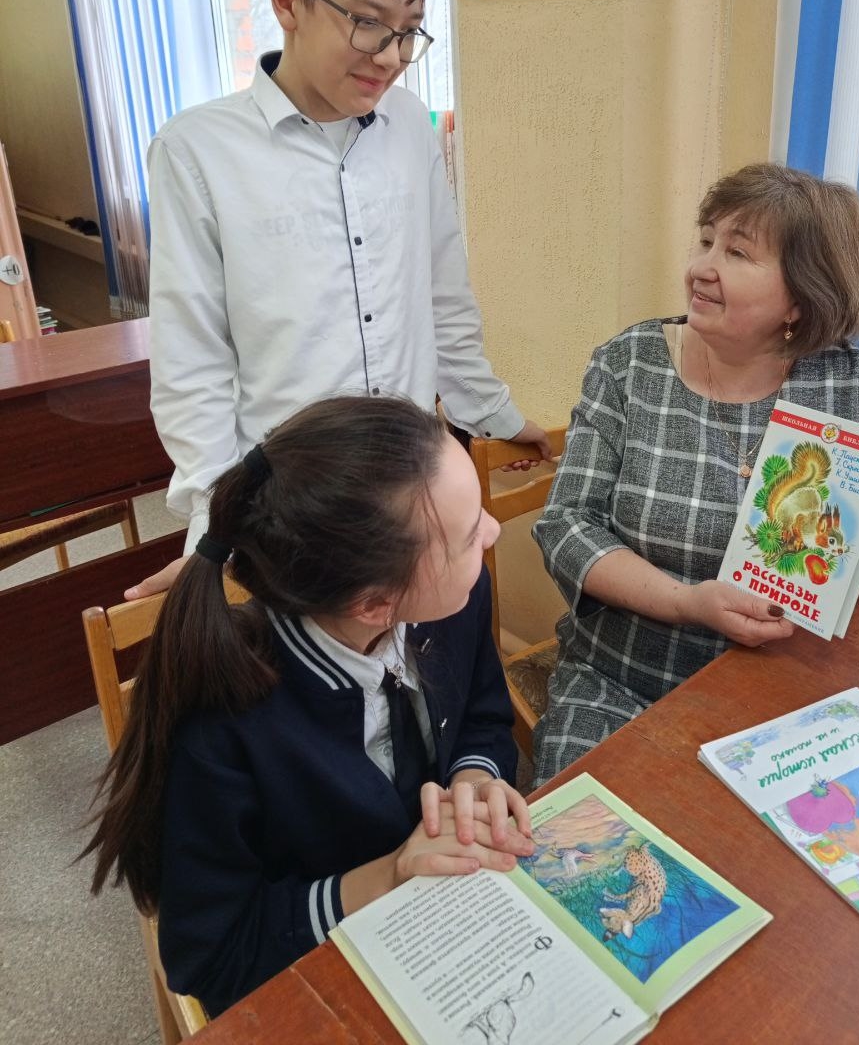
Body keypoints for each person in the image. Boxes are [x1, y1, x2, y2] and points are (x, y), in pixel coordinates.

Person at [129, 0, 547, 600]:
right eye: (368, 21)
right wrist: (214, 526)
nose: (390, 55)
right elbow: (192, 363)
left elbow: (443, 296)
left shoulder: (408, 127)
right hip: (292, 511)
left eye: (409, 30)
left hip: (417, 489)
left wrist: (494, 413)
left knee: (441, 657)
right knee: (312, 669)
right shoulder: (197, 151)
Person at [87, 396, 534, 1017]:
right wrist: (390, 875)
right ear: (374, 604)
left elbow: (482, 713)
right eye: (467, 538)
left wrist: (473, 777)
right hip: (317, 963)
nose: (491, 532)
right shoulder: (222, 722)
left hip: (448, 925)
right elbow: (210, 958)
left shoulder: (450, 601)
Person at [532, 163, 859, 786]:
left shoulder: (855, 389)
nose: (702, 267)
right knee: (578, 839)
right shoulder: (629, 365)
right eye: (706, 240)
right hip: (620, 684)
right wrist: (684, 602)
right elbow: (567, 526)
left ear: (801, 296)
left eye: (736, 252)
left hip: (792, 702)